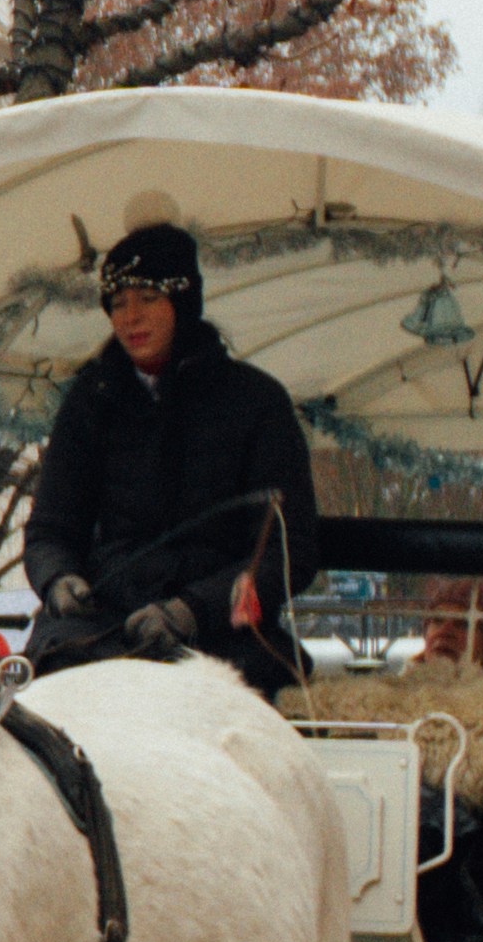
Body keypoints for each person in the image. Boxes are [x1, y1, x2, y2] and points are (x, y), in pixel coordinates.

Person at [19, 217, 314, 697]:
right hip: (101, 628)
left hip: (221, 633)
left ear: (183, 302)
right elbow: (51, 527)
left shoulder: (257, 402)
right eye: (117, 304)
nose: (130, 318)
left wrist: (191, 611)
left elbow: (288, 549)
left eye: (147, 299)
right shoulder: (89, 400)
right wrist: (58, 578)